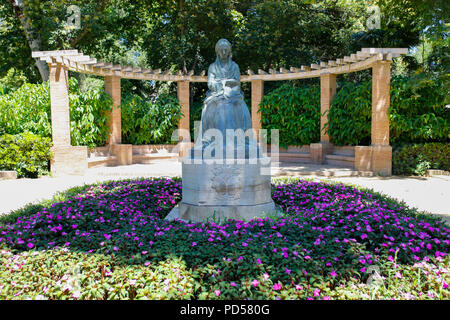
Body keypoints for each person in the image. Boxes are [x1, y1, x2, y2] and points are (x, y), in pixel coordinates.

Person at [192, 39, 257, 159]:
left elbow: (237, 83)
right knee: (215, 106)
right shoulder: (212, 67)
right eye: (221, 50)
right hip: (216, 94)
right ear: (217, 51)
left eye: (226, 49)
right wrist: (222, 85)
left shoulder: (234, 66)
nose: (223, 52)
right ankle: (212, 141)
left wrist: (228, 85)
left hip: (232, 94)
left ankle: (240, 141)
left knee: (240, 106)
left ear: (229, 52)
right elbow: (210, 83)